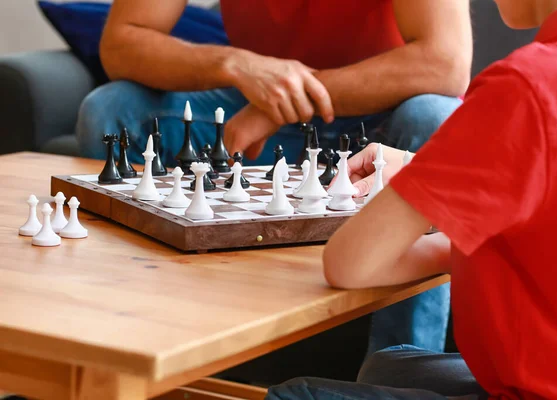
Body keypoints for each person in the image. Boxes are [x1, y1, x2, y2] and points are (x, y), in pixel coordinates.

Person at [77, 0, 473, 357]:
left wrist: (281, 107)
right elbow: (120, 44)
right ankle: (132, 342)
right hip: (249, 107)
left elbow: (445, 63)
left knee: (433, 118)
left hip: (383, 123)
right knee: (111, 110)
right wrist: (234, 64)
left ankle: (399, 367)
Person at [265, 0, 557, 398]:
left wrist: (437, 213)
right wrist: (428, 174)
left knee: (295, 395)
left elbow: (348, 264)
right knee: (389, 367)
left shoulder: (529, 85)